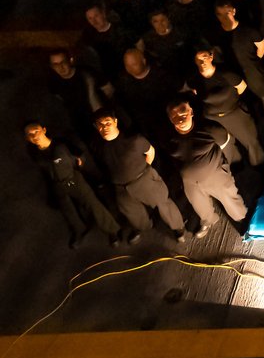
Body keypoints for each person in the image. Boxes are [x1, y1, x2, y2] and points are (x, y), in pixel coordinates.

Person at [91, 108, 186, 242]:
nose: (104, 127)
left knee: (163, 204)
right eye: (100, 124)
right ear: (96, 127)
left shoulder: (134, 140)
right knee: (133, 214)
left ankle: (178, 228)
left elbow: (150, 152)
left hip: (143, 180)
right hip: (120, 188)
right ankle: (145, 227)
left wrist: (145, 171)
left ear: (115, 122)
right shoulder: (98, 146)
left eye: (107, 122)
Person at [24, 120, 121, 248]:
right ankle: (80, 231)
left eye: (36, 131)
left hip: (73, 179)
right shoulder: (35, 153)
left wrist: (84, 170)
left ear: (44, 130)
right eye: (30, 134)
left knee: (92, 204)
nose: (35, 136)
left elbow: (80, 156)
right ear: (27, 138)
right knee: (69, 212)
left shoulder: (60, 144)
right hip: (57, 185)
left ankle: (112, 231)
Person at [164, 97, 248, 239]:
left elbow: (227, 142)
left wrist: (223, 167)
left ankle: (241, 218)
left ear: (191, 112)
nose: (180, 119)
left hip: (215, 175)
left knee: (230, 198)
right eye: (175, 116)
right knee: (199, 205)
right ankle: (209, 220)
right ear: (170, 119)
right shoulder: (169, 137)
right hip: (190, 182)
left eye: (183, 114)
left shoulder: (209, 129)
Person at [185, 47, 264, 167]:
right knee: (228, 147)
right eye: (198, 59)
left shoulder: (226, 74)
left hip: (234, 114)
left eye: (205, 57)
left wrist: (231, 103)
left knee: (251, 142)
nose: (202, 62)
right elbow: (195, 94)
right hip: (214, 119)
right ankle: (239, 169)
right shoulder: (195, 80)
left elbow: (242, 88)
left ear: (211, 57)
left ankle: (261, 167)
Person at [213, 0, 264, 115]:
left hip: (255, 75)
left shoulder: (248, 30)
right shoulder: (218, 36)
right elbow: (218, 55)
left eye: (226, 13)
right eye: (220, 14)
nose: (223, 17)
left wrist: (255, 62)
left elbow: (262, 46)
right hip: (237, 78)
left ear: (233, 11)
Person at [115, 47, 182, 139]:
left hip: (170, 123)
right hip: (149, 129)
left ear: (144, 60)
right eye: (127, 65)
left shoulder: (162, 74)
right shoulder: (125, 82)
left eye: (134, 64)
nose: (130, 68)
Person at [48, 48, 116, 138]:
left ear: (70, 60)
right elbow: (60, 99)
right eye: (56, 64)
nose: (61, 67)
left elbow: (108, 89)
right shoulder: (54, 83)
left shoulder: (87, 72)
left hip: (102, 120)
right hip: (82, 125)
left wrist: (104, 109)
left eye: (63, 62)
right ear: (52, 67)